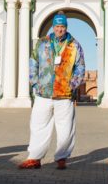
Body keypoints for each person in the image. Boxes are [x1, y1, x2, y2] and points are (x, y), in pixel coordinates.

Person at [19, 12, 86, 170]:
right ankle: (34, 158)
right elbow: (33, 62)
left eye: (62, 27)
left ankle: (62, 157)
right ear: (53, 27)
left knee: (65, 127)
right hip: (44, 92)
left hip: (64, 94)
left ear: (66, 27)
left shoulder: (74, 45)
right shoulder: (42, 43)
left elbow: (80, 67)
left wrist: (72, 84)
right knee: (38, 125)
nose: (59, 29)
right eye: (57, 26)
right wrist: (35, 83)